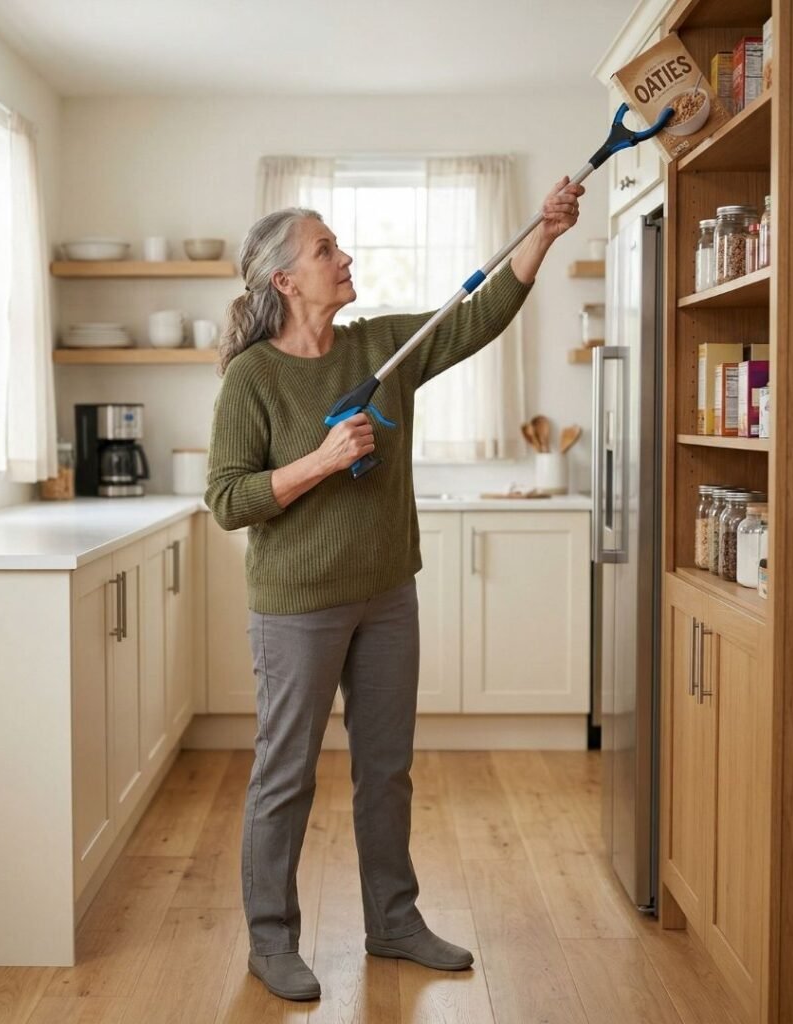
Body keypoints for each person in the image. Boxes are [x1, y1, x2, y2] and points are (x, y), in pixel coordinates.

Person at [205, 177, 583, 1002]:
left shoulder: (380, 349)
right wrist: (320, 461)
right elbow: (229, 500)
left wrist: (545, 232)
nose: (345, 258)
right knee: (286, 774)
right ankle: (272, 942)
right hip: (296, 606)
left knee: (387, 768)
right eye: (326, 250)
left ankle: (394, 921)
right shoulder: (252, 380)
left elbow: (477, 316)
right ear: (284, 281)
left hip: (386, 594)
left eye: (339, 246)